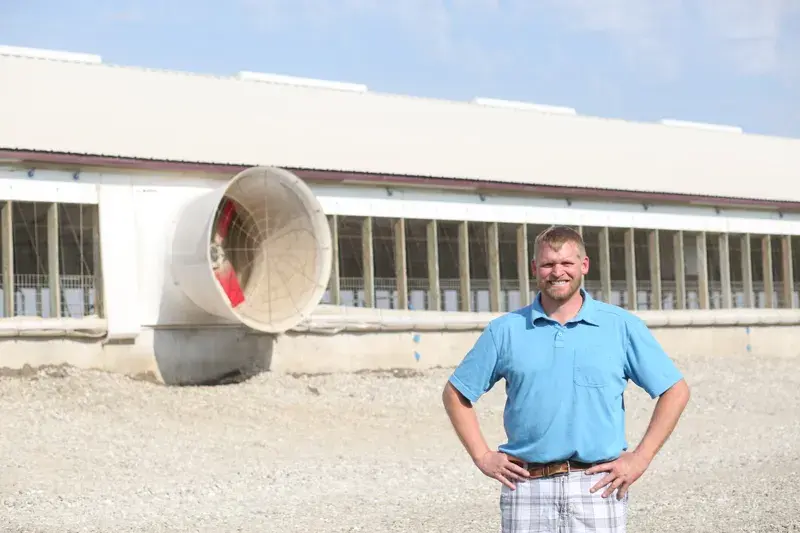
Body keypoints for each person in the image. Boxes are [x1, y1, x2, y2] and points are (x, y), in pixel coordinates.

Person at [442, 225, 690, 532]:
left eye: (566, 263)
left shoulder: (621, 327)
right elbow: (455, 393)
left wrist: (641, 458)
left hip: (597, 487)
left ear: (584, 265)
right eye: (547, 264)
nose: (557, 272)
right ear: (535, 268)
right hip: (528, 488)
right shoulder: (505, 331)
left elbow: (675, 390)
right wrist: (482, 456)